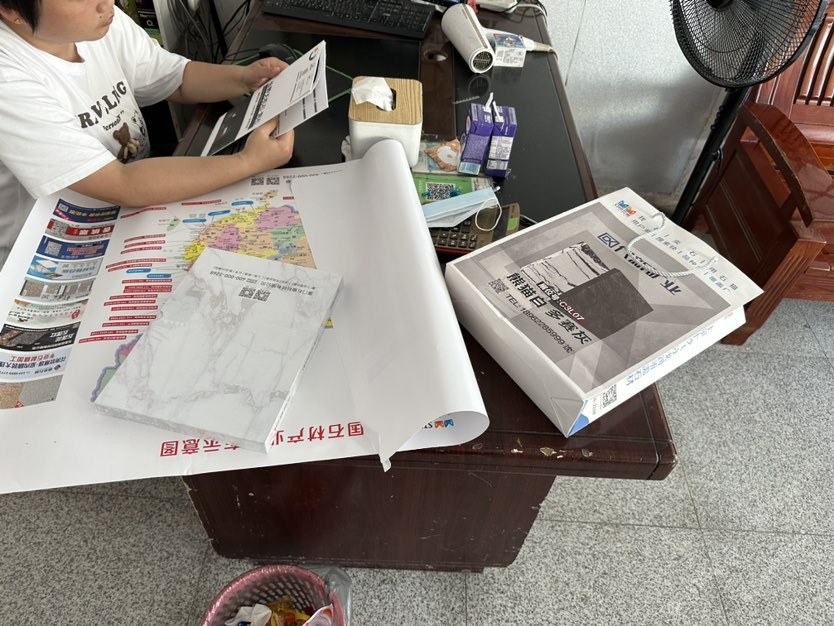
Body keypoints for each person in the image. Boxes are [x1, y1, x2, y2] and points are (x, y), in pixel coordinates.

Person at [0, 0, 295, 268]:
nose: (107, 4)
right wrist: (248, 162)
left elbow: (174, 78)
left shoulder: (97, 22)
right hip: (54, 250)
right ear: (12, 10)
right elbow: (122, 184)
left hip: (135, 206)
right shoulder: (9, 77)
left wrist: (243, 78)